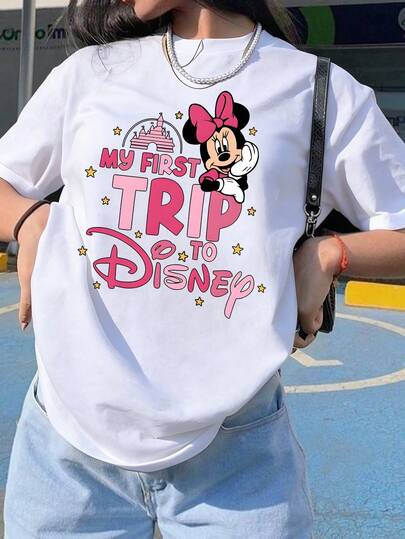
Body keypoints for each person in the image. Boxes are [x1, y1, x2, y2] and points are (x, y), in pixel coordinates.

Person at [1, 0, 405, 537]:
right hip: (67, 448)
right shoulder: (90, 73)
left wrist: (330, 254)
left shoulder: (318, 90)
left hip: (237, 454)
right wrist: (29, 220)